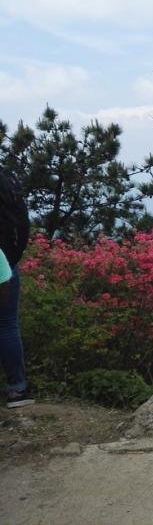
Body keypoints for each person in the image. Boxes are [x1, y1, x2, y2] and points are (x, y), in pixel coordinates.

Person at [0, 166, 33, 408]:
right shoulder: (4, 179)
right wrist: (12, 257)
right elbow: (21, 222)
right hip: (4, 260)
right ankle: (17, 389)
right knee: (6, 323)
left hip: (5, 261)